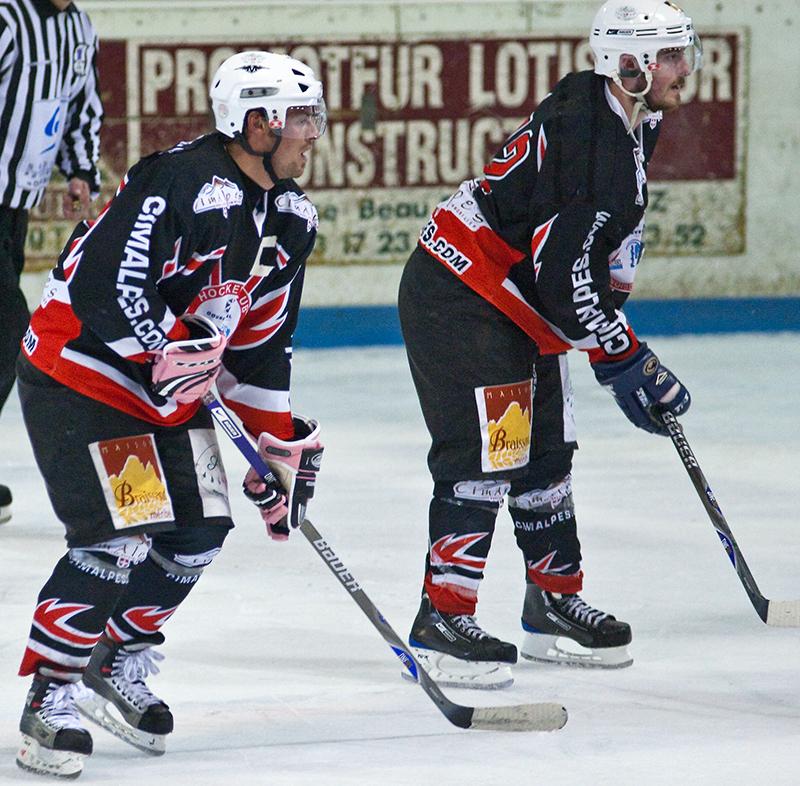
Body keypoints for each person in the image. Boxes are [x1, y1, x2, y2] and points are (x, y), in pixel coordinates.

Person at [13, 50, 327, 778]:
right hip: (84, 372)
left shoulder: (291, 219)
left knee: (200, 529)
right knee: (121, 534)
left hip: (166, 387)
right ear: (257, 124)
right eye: (300, 118)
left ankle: (115, 657)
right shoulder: (178, 181)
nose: (313, 133)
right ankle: (50, 694)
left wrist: (274, 446)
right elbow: (104, 285)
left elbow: (261, 345)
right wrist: (165, 345)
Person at [398, 0, 700, 689]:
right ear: (630, 65)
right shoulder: (594, 142)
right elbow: (565, 275)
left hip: (520, 297)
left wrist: (614, 343)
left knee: (547, 454)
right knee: (487, 455)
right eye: (671, 56)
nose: (686, 69)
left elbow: (580, 257)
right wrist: (623, 353)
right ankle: (442, 620)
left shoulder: (627, 114)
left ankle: (552, 603)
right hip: (463, 293)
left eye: (686, 52)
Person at [0, 0, 103, 525]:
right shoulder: (6, 18)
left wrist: (79, 169)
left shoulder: (78, 28)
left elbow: (79, 106)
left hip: (13, 207)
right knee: (8, 329)